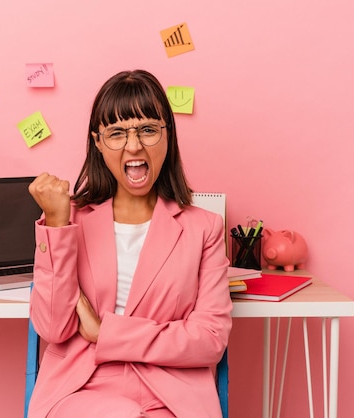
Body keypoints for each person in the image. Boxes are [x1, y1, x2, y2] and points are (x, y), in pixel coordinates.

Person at [27, 69, 233, 418]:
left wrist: (103, 331)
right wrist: (58, 225)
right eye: (117, 133)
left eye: (148, 130)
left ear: (168, 136)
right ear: (98, 141)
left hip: (170, 393)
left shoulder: (204, 228)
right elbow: (52, 327)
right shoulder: (72, 218)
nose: (134, 146)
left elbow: (209, 339)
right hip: (80, 387)